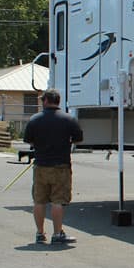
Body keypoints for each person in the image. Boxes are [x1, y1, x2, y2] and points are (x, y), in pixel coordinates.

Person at [24, 89, 83, 244]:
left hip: (40, 166)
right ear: (58, 101)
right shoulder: (69, 119)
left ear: (45, 101)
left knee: (39, 201)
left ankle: (40, 233)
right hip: (61, 166)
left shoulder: (34, 120)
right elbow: (78, 139)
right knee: (57, 201)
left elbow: (29, 141)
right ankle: (57, 234)